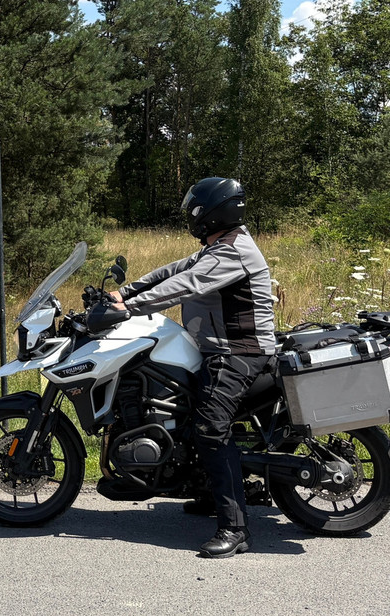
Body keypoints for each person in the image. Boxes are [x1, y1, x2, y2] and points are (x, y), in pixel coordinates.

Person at [108, 177, 276, 559]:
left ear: (214, 212)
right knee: (184, 413)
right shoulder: (217, 247)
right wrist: (126, 292)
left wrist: (129, 309)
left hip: (238, 353)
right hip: (219, 349)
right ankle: (205, 492)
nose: (191, 215)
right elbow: (173, 272)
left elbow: (187, 285)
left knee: (209, 427)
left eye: (195, 209)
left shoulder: (233, 251)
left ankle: (235, 528)